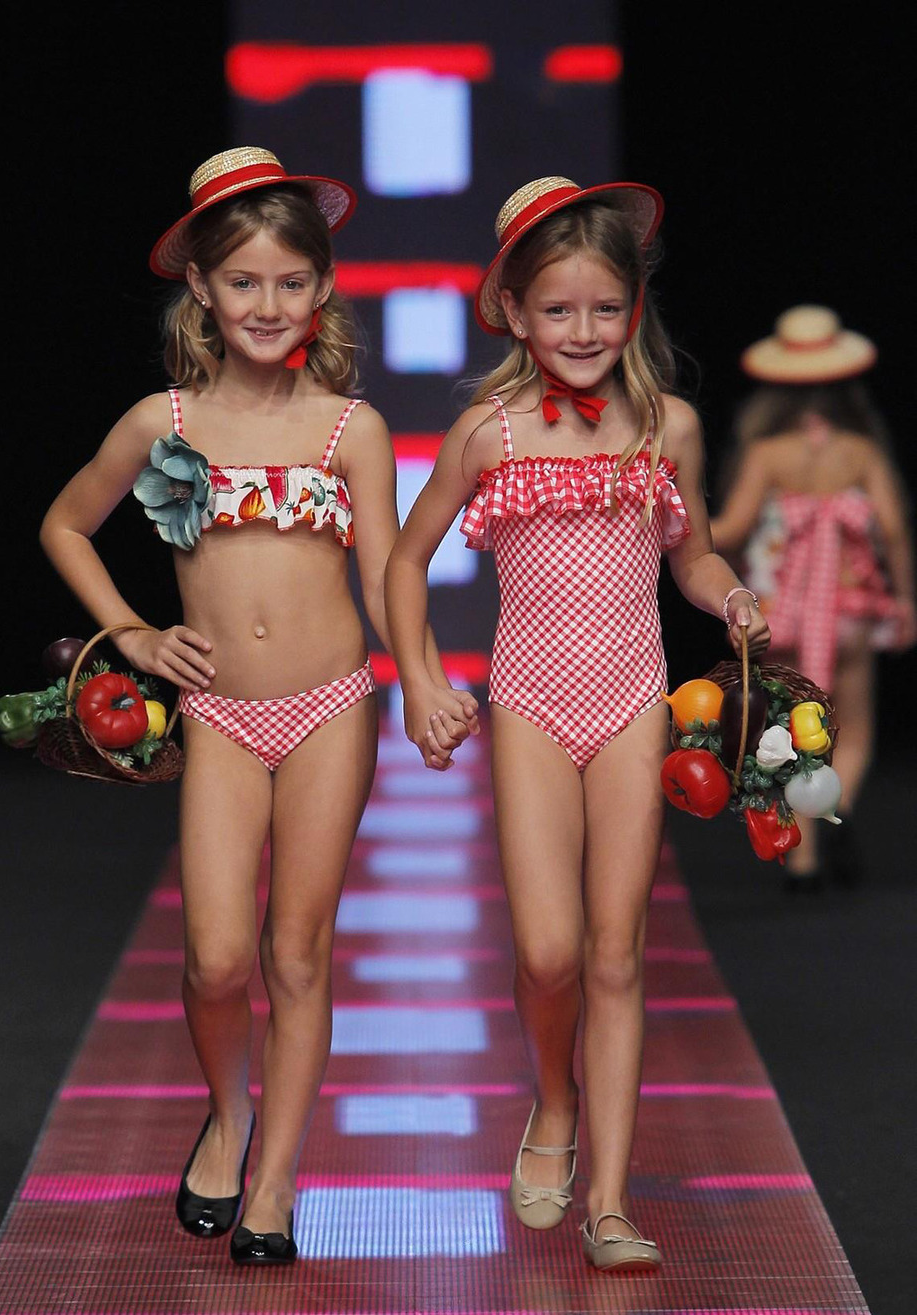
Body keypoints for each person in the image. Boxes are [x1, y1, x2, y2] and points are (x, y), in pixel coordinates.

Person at [40, 146, 475, 1265]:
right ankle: (228, 1114)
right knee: (216, 958)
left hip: (331, 705)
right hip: (221, 711)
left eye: (290, 281)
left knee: (297, 954)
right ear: (201, 287)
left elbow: (388, 574)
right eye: (243, 282)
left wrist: (423, 681)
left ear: (321, 287)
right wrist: (134, 634)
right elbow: (65, 523)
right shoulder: (163, 421)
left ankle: (276, 1177)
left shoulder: (350, 427)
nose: (268, 305)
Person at [384, 175, 770, 1272]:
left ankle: (609, 1199)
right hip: (531, 706)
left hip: (632, 700)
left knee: (614, 952)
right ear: (512, 310)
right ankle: (551, 1099)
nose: (584, 330)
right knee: (548, 952)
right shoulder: (487, 432)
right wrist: (419, 680)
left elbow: (691, 554)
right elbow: (405, 563)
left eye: (605, 307)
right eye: (558, 308)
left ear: (633, 308)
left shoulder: (668, 425)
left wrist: (730, 595)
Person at [710, 305, 916, 889]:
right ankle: (834, 811)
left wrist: (680, 527)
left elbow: (733, 529)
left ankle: (801, 861)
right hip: (850, 610)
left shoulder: (767, 451)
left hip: (784, 614)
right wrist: (905, 600)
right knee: (853, 726)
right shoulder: (860, 450)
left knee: (792, 733)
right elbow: (893, 529)